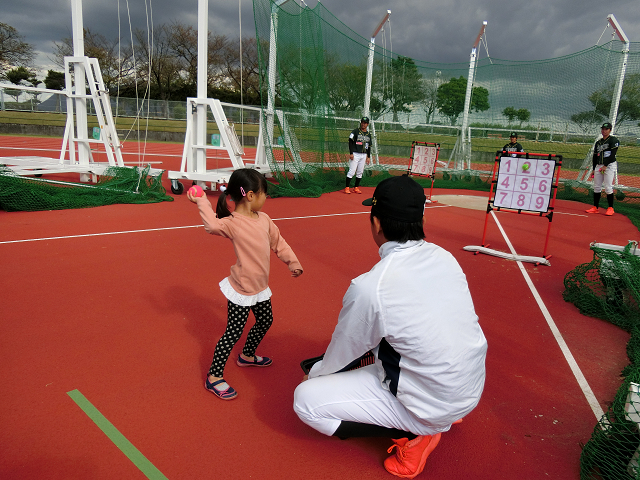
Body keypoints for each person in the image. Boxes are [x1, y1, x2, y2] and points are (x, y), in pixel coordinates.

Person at [294, 175, 487, 479]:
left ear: (376, 223)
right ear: (421, 217)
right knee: (384, 347)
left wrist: (315, 374)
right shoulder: (445, 257)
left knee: (305, 400)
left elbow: (342, 353)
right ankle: (436, 419)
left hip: (430, 404)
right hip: (467, 392)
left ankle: (415, 435)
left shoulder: (372, 286)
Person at [188, 168, 303, 400]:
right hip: (241, 289)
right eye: (264, 193)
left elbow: (278, 242)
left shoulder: (265, 220)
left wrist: (293, 262)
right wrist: (201, 200)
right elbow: (212, 225)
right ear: (250, 196)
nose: (266, 198)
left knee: (265, 320)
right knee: (233, 332)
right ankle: (214, 376)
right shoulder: (233, 223)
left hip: (260, 288)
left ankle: (247, 355)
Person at [586, 122, 620, 216]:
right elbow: (594, 156)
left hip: (609, 165)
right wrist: (593, 168)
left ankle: (610, 208)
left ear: (610, 130)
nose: (604, 131)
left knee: (608, 187)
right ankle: (595, 207)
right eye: (603, 129)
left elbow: (613, 155)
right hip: (599, 165)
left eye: (606, 129)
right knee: (596, 187)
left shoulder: (613, 140)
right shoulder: (598, 142)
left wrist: (605, 165)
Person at [345, 117, 372, 194]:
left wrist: (368, 156)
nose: (363, 124)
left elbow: (369, 146)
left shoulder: (368, 134)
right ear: (361, 123)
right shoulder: (355, 131)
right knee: (352, 171)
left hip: (363, 154)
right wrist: (351, 153)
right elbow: (350, 142)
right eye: (362, 122)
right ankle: (347, 187)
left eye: (365, 123)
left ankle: (356, 187)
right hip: (355, 153)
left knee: (360, 172)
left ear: (367, 124)